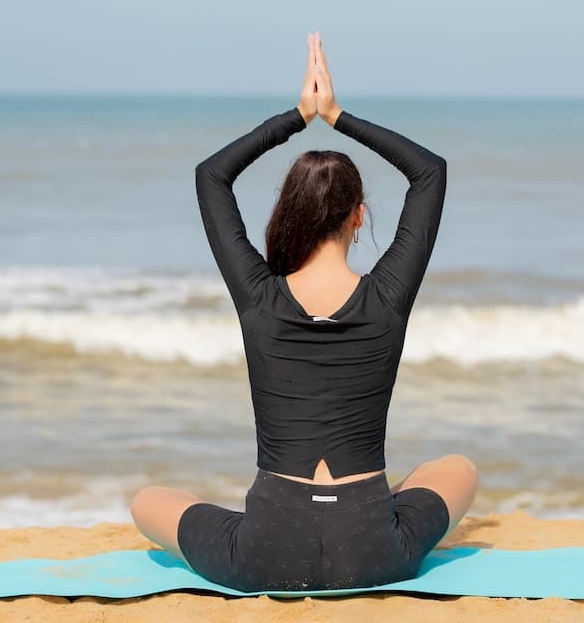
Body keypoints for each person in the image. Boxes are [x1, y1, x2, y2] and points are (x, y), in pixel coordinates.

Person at [130, 31, 478, 591]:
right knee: (459, 469)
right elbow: (429, 171)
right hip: (371, 551)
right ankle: (360, 504)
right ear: (359, 217)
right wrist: (337, 116)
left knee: (149, 501)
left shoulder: (259, 296)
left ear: (288, 212)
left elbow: (211, 176)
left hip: (266, 552)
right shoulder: (386, 297)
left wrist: (298, 116)